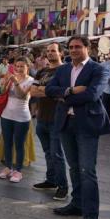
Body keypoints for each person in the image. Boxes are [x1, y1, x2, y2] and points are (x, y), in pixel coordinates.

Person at [46, 36, 110, 219]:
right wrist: (70, 90)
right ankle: (77, 203)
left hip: (87, 125)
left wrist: (63, 96)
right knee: (73, 167)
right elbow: (49, 90)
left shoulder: (99, 69)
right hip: (66, 124)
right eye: (71, 47)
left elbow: (91, 95)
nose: (73, 50)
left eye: (78, 47)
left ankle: (91, 216)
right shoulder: (63, 69)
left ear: (87, 48)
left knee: (87, 171)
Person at [30, 43, 68, 200]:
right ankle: (51, 180)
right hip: (41, 118)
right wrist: (49, 91)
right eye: (48, 51)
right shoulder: (42, 71)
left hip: (56, 118)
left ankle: (63, 186)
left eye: (53, 51)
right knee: (47, 153)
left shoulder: (65, 70)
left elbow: (62, 93)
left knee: (57, 154)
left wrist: (44, 91)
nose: (50, 53)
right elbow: (32, 91)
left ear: (60, 53)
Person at [0, 57, 34, 183]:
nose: (18, 69)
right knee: (7, 143)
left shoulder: (31, 80)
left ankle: (18, 170)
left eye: (22, 66)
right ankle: (8, 167)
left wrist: (16, 82)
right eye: (17, 66)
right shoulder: (11, 78)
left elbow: (22, 95)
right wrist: (5, 83)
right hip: (6, 115)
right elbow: (1, 92)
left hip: (22, 117)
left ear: (27, 67)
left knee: (19, 144)